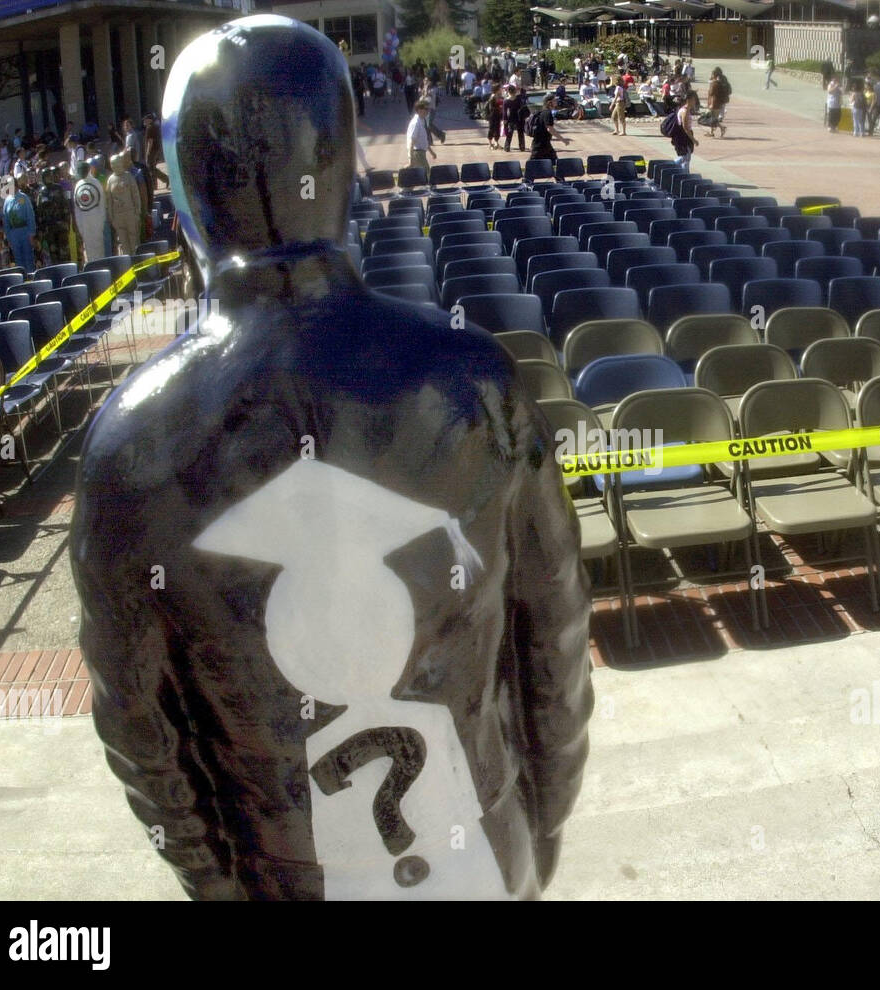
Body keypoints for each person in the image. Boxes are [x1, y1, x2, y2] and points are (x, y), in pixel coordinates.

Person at [71, 15, 592, 901]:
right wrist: (535, 831)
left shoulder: (129, 447)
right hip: (486, 856)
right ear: (346, 166)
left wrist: (222, 885)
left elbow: (143, 736)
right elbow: (558, 650)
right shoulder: (472, 381)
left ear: (182, 195)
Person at [105, 150, 142, 255]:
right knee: (124, 243)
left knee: (134, 240)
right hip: (118, 216)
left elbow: (135, 195)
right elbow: (109, 200)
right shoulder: (110, 180)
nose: (114, 166)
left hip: (130, 213)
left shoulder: (128, 176)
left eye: (116, 163)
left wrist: (137, 212)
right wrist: (112, 217)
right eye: (112, 164)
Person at [2, 175, 37, 270]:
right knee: (18, 260)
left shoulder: (24, 197)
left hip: (25, 232)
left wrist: (31, 233)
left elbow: (30, 216)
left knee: (28, 257)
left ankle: (31, 278)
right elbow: (5, 221)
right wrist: (8, 238)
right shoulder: (7, 201)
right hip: (14, 234)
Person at [528, 93, 568, 165]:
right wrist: (562, 139)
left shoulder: (544, 112)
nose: (556, 101)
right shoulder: (547, 113)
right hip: (539, 146)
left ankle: (559, 175)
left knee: (555, 165)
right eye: (554, 100)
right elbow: (550, 129)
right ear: (549, 103)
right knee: (532, 167)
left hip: (545, 145)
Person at [406, 97, 436, 173]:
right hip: (417, 153)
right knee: (427, 174)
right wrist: (411, 159)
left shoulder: (422, 120)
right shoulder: (416, 123)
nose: (427, 111)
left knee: (421, 175)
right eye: (426, 109)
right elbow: (411, 142)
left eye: (428, 109)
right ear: (419, 110)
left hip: (421, 153)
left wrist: (431, 152)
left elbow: (424, 140)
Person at [672, 90, 699, 171]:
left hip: (685, 135)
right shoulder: (685, 111)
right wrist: (693, 140)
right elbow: (685, 127)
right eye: (694, 99)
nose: (695, 101)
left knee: (685, 158)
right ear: (689, 100)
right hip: (683, 136)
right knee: (686, 158)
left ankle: (672, 167)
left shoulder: (687, 110)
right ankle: (684, 174)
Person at [706, 67, 729, 138]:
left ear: (714, 75)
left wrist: (711, 104)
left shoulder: (714, 83)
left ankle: (722, 128)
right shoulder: (719, 82)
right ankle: (711, 132)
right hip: (717, 103)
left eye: (712, 74)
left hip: (714, 103)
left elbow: (711, 93)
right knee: (712, 119)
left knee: (713, 119)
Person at [502, 85, 527, 153]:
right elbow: (523, 93)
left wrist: (505, 120)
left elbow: (504, 112)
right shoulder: (518, 99)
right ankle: (522, 147)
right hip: (519, 117)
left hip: (511, 117)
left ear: (508, 91)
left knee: (510, 132)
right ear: (515, 91)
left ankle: (507, 147)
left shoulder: (506, 101)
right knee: (520, 132)